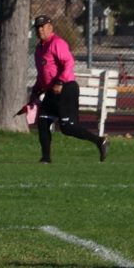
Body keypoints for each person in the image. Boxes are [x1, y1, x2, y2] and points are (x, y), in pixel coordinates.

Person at [29, 14, 109, 164]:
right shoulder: (39, 49)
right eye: (37, 27)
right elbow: (43, 74)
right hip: (51, 91)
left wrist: (60, 81)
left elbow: (69, 63)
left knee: (68, 127)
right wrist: (35, 91)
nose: (40, 30)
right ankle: (45, 158)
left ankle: (100, 141)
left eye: (43, 26)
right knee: (42, 121)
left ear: (50, 27)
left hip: (66, 89)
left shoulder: (57, 43)